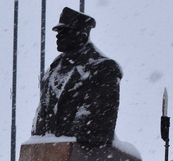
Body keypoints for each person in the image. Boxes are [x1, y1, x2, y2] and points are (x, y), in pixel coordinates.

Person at [32, 7, 122, 145]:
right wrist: (38, 142)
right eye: (58, 31)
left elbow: (100, 126)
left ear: (82, 35)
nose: (58, 35)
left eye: (65, 31)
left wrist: (67, 142)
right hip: (49, 154)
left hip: (82, 156)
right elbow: (42, 115)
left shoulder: (103, 68)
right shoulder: (54, 68)